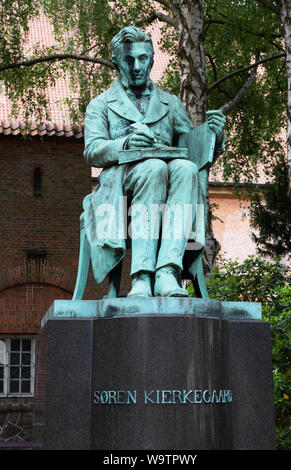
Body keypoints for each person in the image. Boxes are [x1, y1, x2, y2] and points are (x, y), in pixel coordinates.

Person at [83, 26, 226, 297]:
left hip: (168, 184)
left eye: (143, 59)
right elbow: (92, 150)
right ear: (117, 62)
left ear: (151, 58)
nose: (137, 66)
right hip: (119, 191)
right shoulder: (100, 104)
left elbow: (189, 147)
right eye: (129, 60)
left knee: (186, 169)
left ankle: (167, 272)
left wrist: (212, 134)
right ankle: (141, 277)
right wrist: (124, 144)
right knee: (154, 167)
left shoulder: (170, 103)